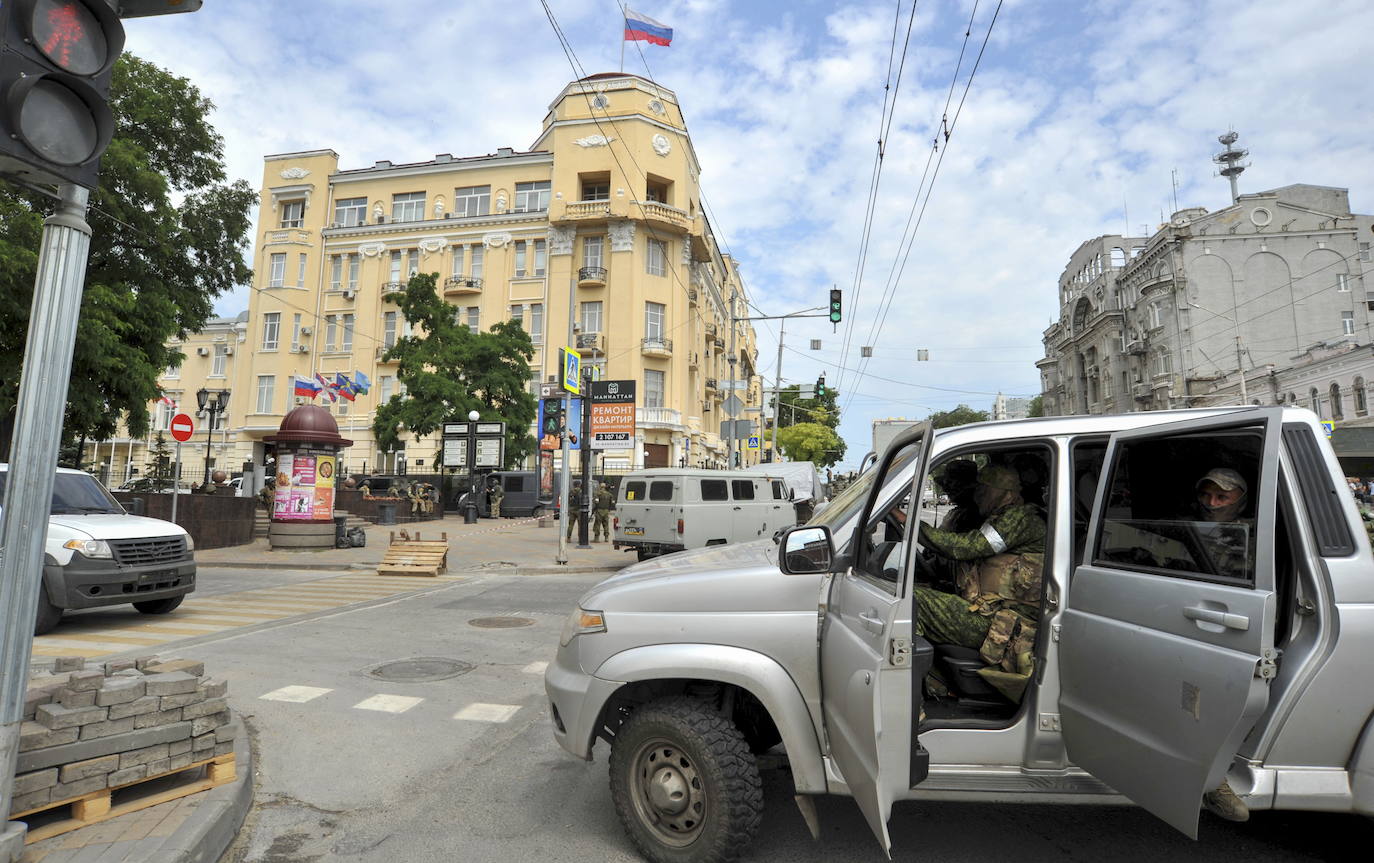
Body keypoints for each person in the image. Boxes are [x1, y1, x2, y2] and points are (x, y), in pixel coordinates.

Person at [914, 464, 1046, 675]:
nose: (977, 497)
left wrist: (911, 525)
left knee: (912, 602)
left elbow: (968, 547)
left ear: (1004, 493)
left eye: (984, 491)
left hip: (1005, 623)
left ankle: (910, 701)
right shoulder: (1001, 517)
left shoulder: (1020, 518)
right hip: (994, 614)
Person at [1189, 466, 1254, 823]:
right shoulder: (1187, 528)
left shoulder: (1250, 536)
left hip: (1230, 628)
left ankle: (1215, 780)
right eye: (1206, 495)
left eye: (1222, 497)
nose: (1211, 504)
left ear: (1240, 500)